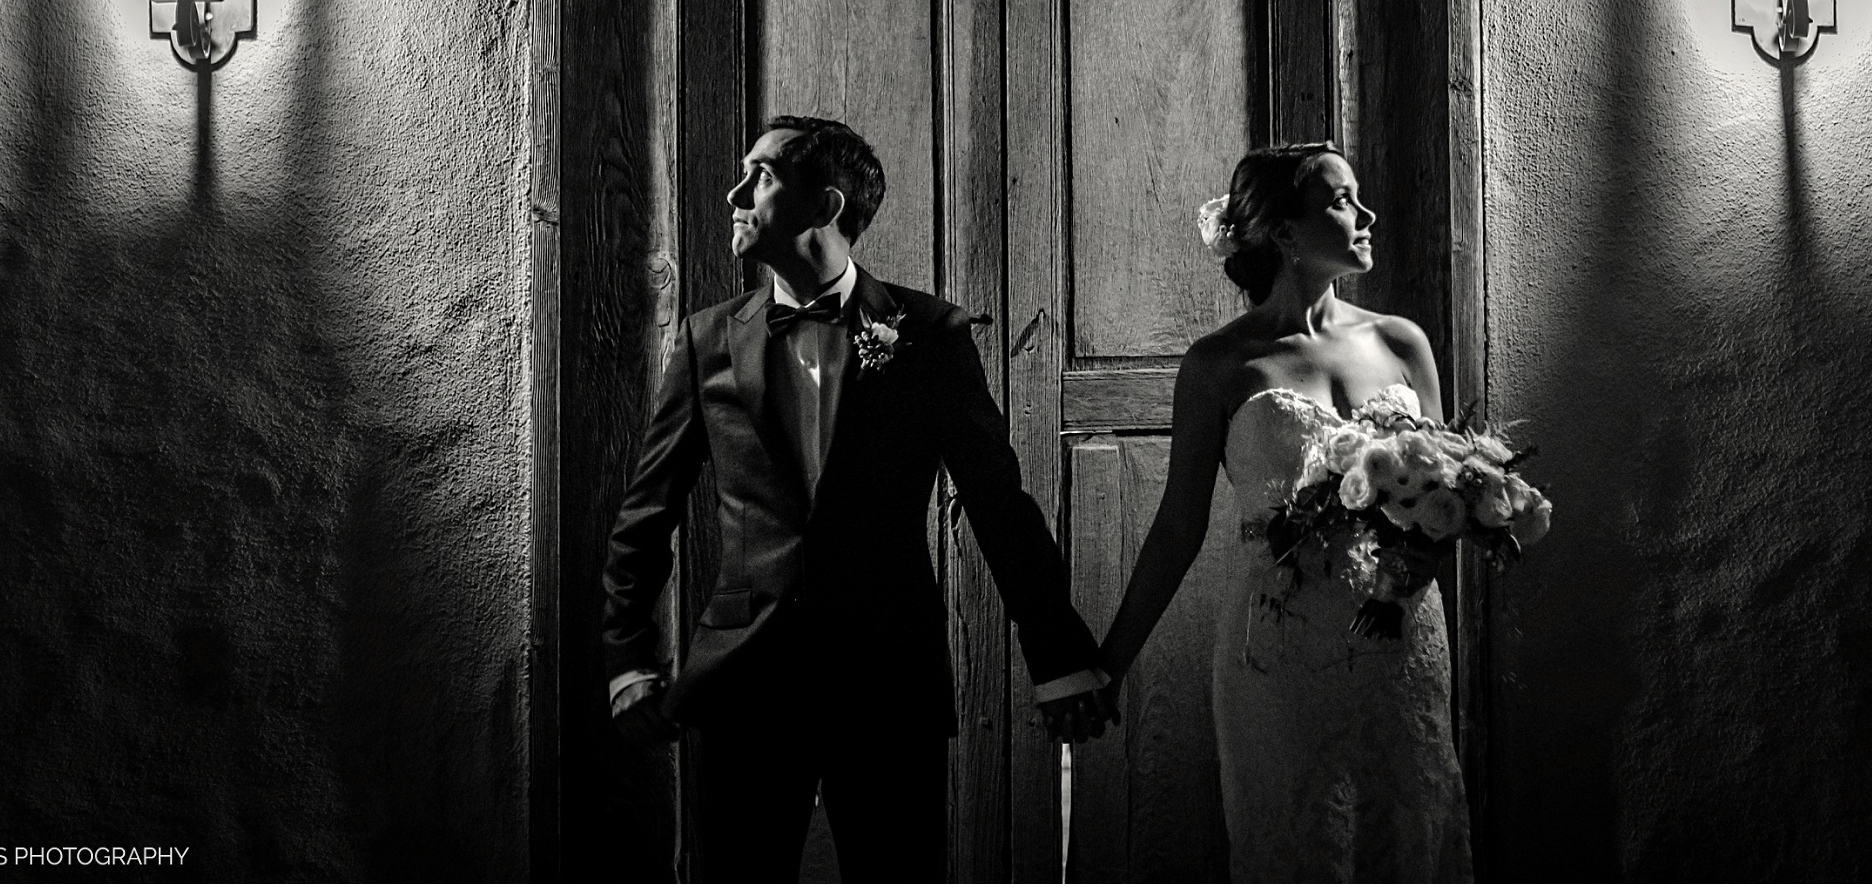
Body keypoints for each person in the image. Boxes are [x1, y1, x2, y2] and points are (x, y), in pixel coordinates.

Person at [600, 115, 1114, 882]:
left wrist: (1059, 656)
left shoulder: (929, 333)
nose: (735, 192)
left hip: (887, 680)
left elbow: (998, 503)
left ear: (825, 205)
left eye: (762, 176)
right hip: (744, 682)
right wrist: (627, 655)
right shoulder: (708, 338)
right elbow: (649, 508)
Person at [1092, 141, 1475, 880]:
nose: (1366, 214)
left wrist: (1410, 578)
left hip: (1398, 634)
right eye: (1341, 200)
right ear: (1286, 234)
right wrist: (1109, 664)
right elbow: (1178, 525)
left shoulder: (1400, 342)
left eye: (1358, 195)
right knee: (1295, 839)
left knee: (1410, 828)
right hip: (1277, 647)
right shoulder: (1219, 365)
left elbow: (1449, 494)